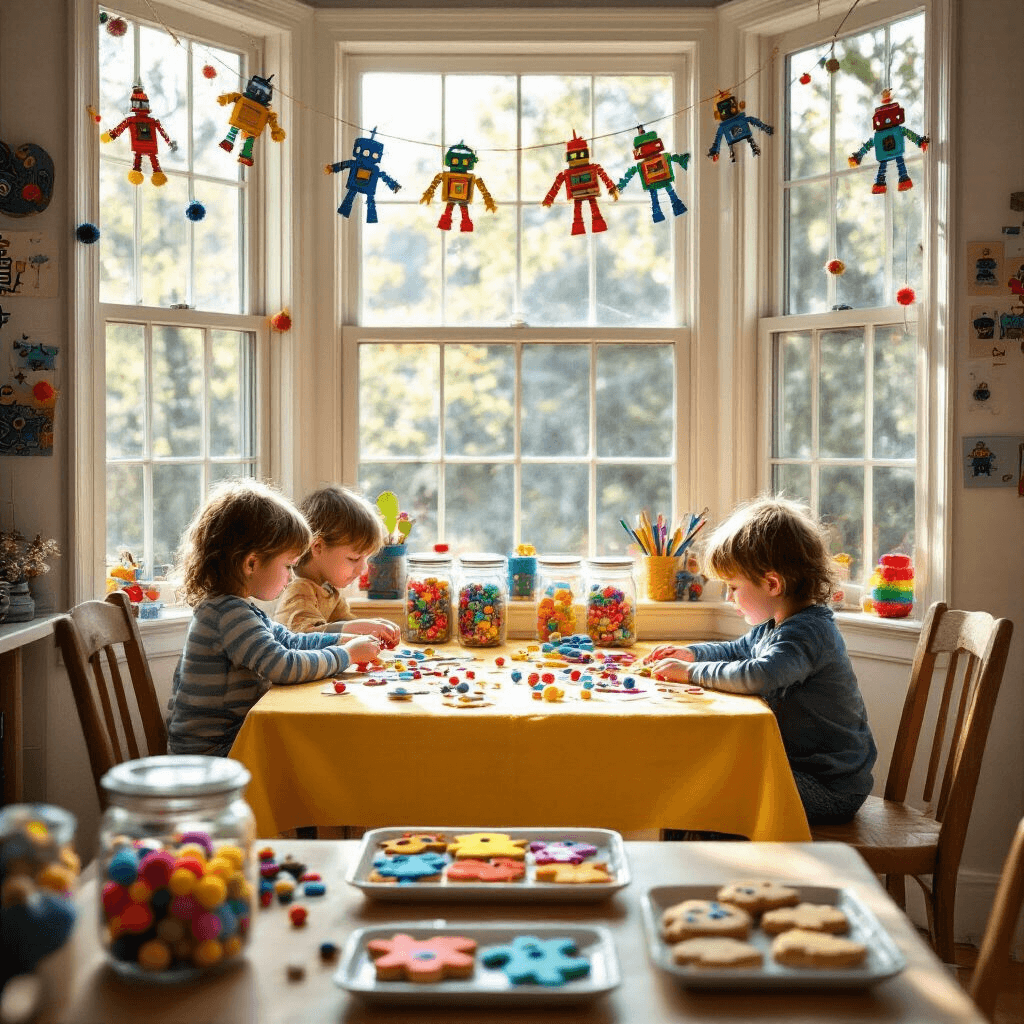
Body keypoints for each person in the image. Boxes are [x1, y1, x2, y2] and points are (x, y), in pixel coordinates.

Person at [645, 496, 877, 828]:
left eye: (733, 587)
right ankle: (711, 866)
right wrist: (692, 653)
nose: (728, 598)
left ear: (771, 584)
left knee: (710, 788)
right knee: (706, 782)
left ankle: (722, 870)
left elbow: (761, 674)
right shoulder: (776, 625)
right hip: (804, 773)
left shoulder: (807, 632)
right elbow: (736, 651)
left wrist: (691, 673)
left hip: (829, 789)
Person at [166, 479, 382, 757]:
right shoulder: (228, 615)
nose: (292, 576)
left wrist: (340, 638)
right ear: (251, 563)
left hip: (223, 745)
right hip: (209, 756)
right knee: (320, 750)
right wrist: (347, 654)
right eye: (288, 565)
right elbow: (283, 665)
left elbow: (289, 640)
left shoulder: (238, 609)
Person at [276, 484, 400, 646]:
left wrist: (372, 628)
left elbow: (343, 622)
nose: (363, 569)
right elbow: (304, 636)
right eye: (354, 559)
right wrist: (360, 627)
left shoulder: (328, 589)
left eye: (366, 559)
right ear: (318, 547)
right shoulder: (298, 589)